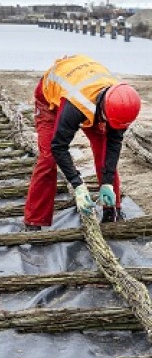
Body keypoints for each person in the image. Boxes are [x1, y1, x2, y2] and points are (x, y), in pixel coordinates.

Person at [24, 54, 141, 230]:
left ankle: (112, 211)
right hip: (50, 101)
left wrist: (108, 183)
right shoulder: (76, 106)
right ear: (104, 109)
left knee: (103, 151)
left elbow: (114, 143)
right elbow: (59, 146)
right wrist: (78, 185)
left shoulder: (121, 103)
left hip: (91, 97)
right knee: (48, 158)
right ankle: (34, 221)